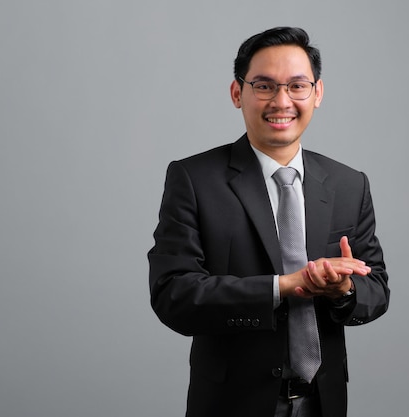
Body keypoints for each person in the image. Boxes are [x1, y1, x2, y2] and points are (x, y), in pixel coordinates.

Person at [148, 27, 390, 417]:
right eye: (264, 86)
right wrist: (281, 288)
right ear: (236, 93)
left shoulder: (349, 184)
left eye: (297, 86)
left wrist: (343, 291)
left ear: (318, 93)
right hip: (232, 404)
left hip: (323, 403)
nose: (282, 101)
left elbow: (376, 288)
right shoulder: (194, 179)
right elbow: (173, 295)